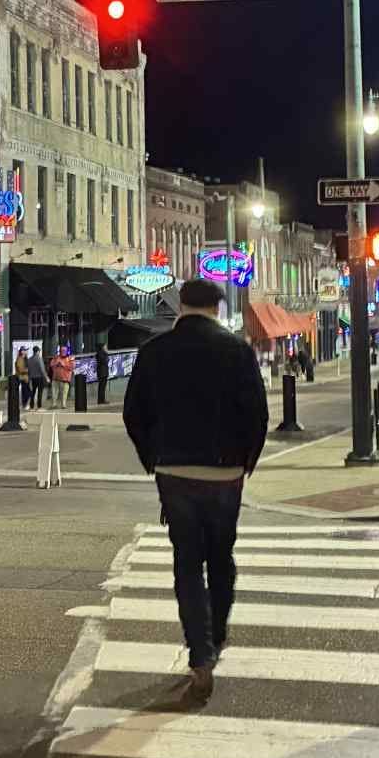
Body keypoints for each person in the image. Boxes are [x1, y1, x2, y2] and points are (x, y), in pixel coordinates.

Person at [122, 277, 269, 707]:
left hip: (175, 470)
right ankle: (217, 635)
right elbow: (257, 414)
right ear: (218, 308)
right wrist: (246, 460)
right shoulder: (238, 350)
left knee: (187, 562)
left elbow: (134, 413)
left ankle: (199, 653)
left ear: (181, 305)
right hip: (224, 472)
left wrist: (153, 457)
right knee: (221, 557)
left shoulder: (155, 351)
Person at [49, 341, 74, 407]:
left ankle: (63, 404)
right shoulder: (56, 357)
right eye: (62, 350)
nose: (63, 352)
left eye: (64, 351)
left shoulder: (70, 358)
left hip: (65, 379)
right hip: (55, 378)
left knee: (64, 393)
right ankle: (54, 404)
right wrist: (56, 364)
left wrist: (64, 365)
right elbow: (51, 364)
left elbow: (72, 367)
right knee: (54, 392)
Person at [26, 343, 49, 412]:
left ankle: (31, 406)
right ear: (38, 351)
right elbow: (42, 369)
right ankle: (39, 407)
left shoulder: (29, 359)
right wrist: (46, 377)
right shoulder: (39, 359)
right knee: (40, 392)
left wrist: (30, 378)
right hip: (39, 378)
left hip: (32, 378)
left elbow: (28, 370)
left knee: (33, 392)